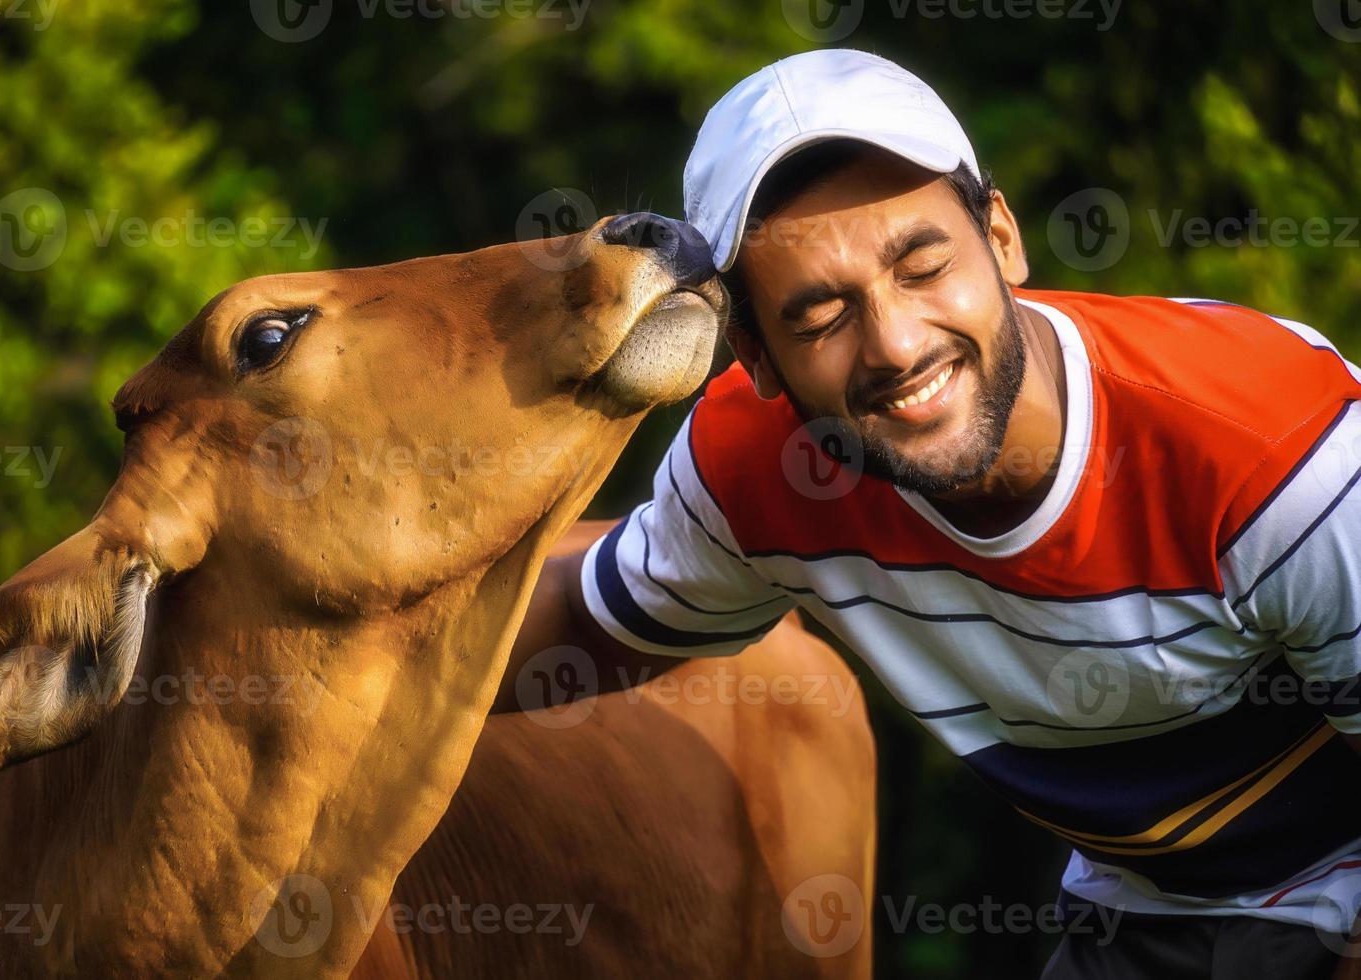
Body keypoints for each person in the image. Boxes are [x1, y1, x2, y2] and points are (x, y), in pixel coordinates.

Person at [497, 48, 1361, 978]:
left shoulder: (1269, 444)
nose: (897, 346)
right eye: (821, 318)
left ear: (1001, 236)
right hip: (1148, 913)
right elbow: (571, 630)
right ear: (752, 353)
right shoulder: (754, 473)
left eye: (922, 266)